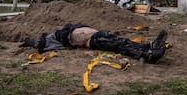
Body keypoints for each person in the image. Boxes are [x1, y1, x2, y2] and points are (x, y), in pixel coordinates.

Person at [19, 23, 168, 64]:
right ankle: (147, 56)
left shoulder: (58, 34)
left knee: (122, 41)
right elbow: (38, 45)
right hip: (94, 40)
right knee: (119, 46)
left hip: (97, 35)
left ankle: (150, 46)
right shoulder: (55, 40)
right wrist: (28, 43)